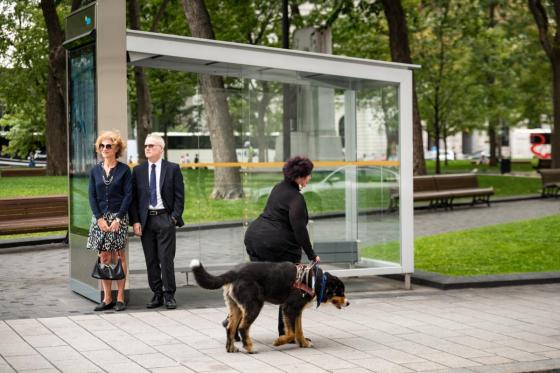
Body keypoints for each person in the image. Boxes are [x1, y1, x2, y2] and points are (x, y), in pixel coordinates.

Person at [243, 155, 320, 336]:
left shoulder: (278, 188)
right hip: (276, 244)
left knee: (254, 284)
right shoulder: (296, 199)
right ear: (300, 176)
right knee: (290, 284)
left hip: (254, 238)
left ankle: (235, 321)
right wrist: (311, 254)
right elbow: (299, 229)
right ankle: (286, 331)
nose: (309, 178)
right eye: (308, 175)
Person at [130, 133, 185, 309]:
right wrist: (136, 221)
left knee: (166, 259)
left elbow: (179, 197)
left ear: (161, 149)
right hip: (146, 221)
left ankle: (169, 295)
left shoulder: (173, 169)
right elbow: (134, 199)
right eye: (146, 145)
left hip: (165, 219)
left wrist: (174, 218)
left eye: (151, 145)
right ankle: (157, 294)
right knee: (151, 260)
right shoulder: (138, 171)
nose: (147, 148)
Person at [86, 130, 132, 312]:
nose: (104, 149)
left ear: (116, 148)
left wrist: (118, 218)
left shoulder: (124, 170)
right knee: (104, 256)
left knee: (119, 256)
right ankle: (107, 298)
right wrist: (99, 218)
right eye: (102, 146)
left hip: (118, 218)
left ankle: (120, 297)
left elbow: (128, 196)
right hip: (100, 219)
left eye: (108, 146)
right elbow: (92, 195)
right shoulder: (95, 170)